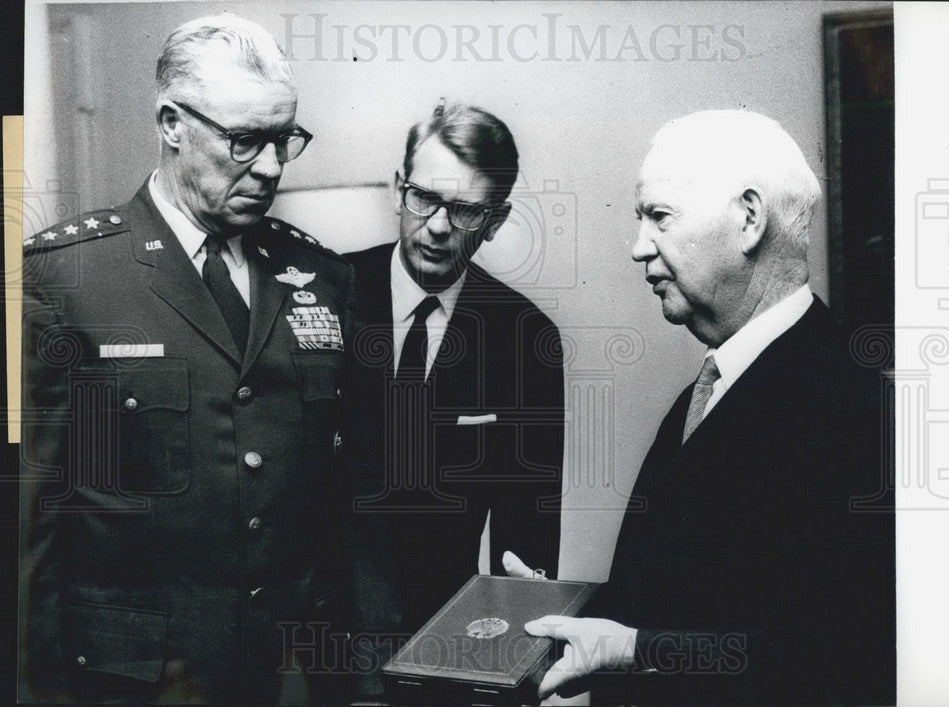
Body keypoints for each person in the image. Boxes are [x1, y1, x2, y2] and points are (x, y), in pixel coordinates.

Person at [19, 14, 358, 703]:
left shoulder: (319, 275)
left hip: (285, 673)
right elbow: (31, 532)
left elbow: (341, 507)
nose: (270, 166)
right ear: (172, 124)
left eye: (282, 138)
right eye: (243, 141)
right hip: (134, 681)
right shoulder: (68, 280)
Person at [525, 110, 894, 704]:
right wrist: (561, 614)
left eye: (658, 217)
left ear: (749, 219)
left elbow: (838, 652)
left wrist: (636, 650)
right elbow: (692, 588)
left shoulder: (853, 407)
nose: (637, 247)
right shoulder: (712, 386)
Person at [346, 101, 564, 637]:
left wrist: (510, 652)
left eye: (466, 210)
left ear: (496, 221)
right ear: (400, 188)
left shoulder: (525, 338)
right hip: (312, 639)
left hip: (444, 640)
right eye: (424, 198)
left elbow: (527, 531)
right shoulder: (332, 291)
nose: (438, 227)